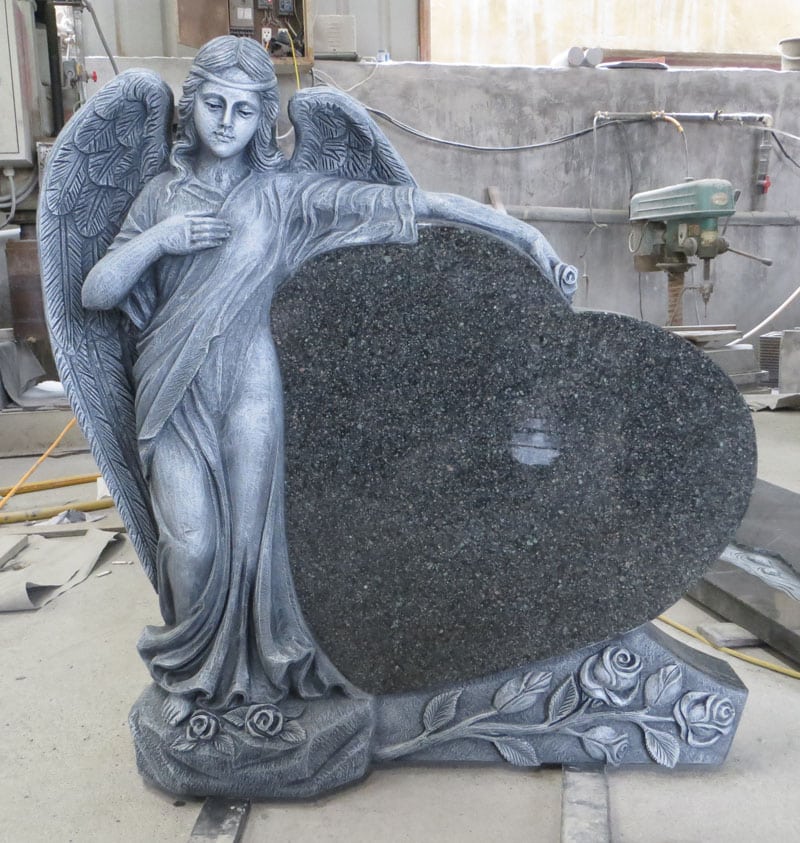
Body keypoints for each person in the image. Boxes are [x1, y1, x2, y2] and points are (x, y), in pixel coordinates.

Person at [82, 35, 574, 725]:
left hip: (250, 385)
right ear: (190, 108)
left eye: (244, 110)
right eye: (214, 105)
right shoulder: (161, 196)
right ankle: (195, 678)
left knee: (254, 544)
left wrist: (525, 235)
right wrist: (158, 240)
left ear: (262, 119)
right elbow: (97, 292)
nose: (226, 122)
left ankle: (253, 684)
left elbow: (415, 205)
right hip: (173, 390)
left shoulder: (287, 195)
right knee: (191, 546)